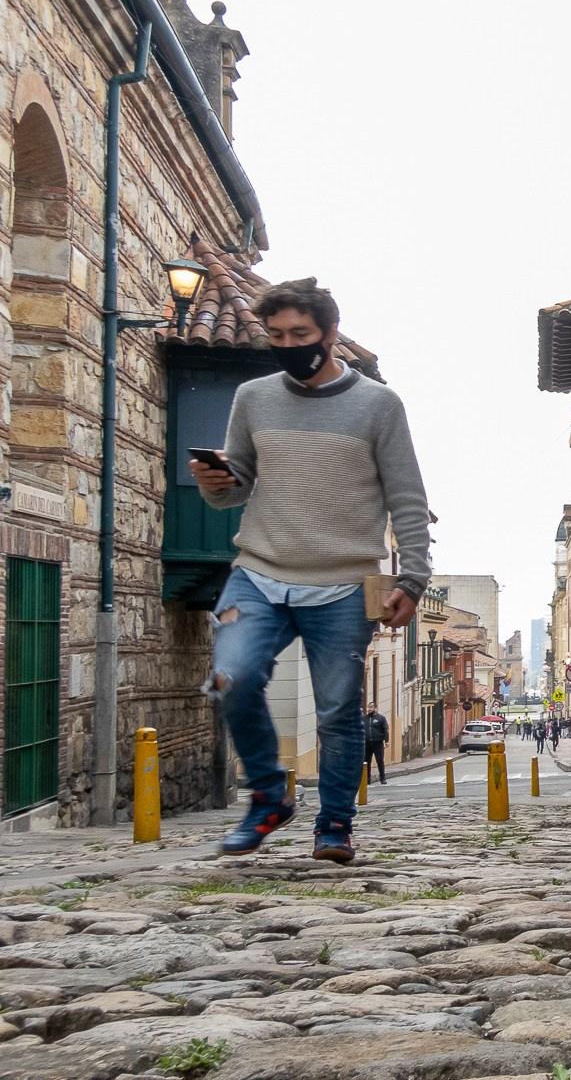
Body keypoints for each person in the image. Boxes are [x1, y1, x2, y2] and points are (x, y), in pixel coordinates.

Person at [191, 278, 430, 864]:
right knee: (232, 677)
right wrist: (214, 484)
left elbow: (407, 497)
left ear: (328, 333)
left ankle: (335, 826)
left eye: (300, 333)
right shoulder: (253, 397)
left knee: (337, 711)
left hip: (343, 583)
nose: (288, 344)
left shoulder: (379, 405)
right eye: (276, 335)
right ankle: (270, 798)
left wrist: (413, 579)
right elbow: (236, 488)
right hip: (259, 570)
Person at [363, 703, 389, 785]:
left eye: (371, 707)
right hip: (367, 743)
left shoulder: (381, 718)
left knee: (380, 761)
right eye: (368, 707)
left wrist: (386, 740)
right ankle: (367, 779)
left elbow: (385, 729)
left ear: (375, 708)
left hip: (378, 743)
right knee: (366, 762)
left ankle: (382, 778)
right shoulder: (364, 719)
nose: (369, 709)